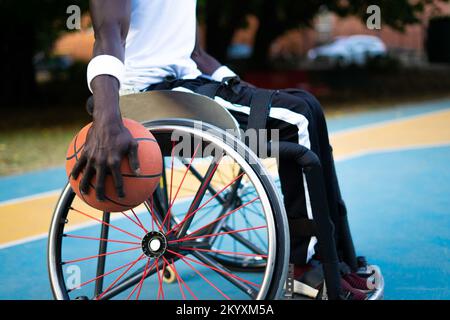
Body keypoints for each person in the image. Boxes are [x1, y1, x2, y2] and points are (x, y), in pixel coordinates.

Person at [72, 0, 373, 300]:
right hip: (151, 95)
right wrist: (106, 118)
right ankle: (304, 269)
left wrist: (237, 84)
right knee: (295, 120)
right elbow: (107, 32)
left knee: (307, 106)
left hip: (189, 83)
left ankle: (337, 257)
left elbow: (195, 53)